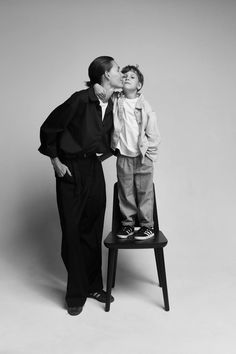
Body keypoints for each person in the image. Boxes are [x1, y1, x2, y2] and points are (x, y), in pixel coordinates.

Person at [38, 56, 123, 316]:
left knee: (93, 229)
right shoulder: (79, 99)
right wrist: (55, 161)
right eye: (118, 70)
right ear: (105, 75)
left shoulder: (114, 103)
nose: (121, 73)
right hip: (70, 169)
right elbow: (49, 127)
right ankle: (75, 293)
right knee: (73, 232)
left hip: (93, 169)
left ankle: (93, 286)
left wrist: (108, 153)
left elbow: (116, 134)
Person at [95, 65, 161, 240]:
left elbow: (153, 133)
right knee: (125, 192)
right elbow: (103, 92)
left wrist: (150, 155)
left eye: (132, 77)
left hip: (142, 157)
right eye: (124, 76)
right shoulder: (116, 99)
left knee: (144, 192)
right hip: (124, 157)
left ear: (139, 85)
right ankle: (128, 225)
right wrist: (96, 85)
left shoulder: (145, 106)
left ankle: (147, 226)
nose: (126, 78)